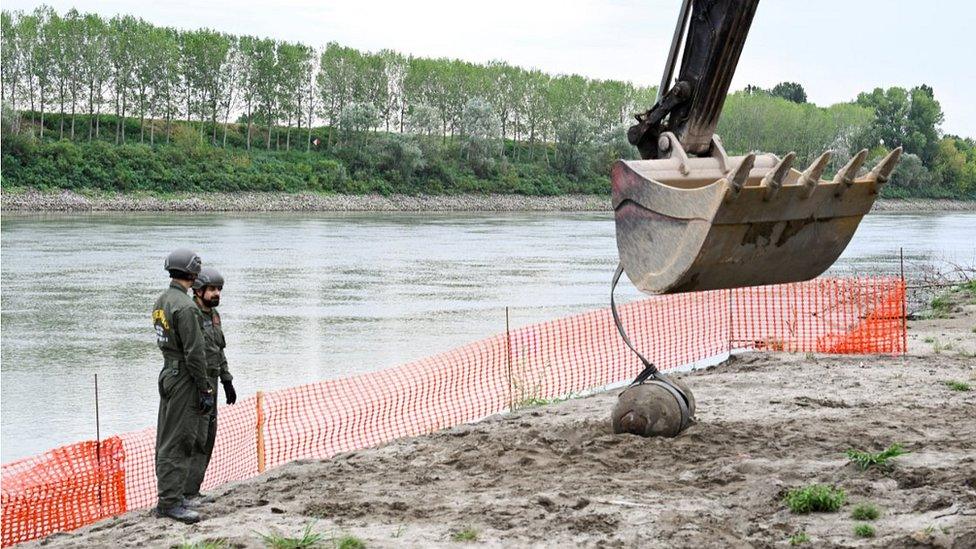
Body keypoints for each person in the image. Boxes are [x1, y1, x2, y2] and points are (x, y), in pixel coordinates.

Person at [151, 249, 213, 524]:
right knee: (179, 440)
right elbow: (195, 353)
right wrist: (205, 388)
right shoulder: (187, 307)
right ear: (193, 273)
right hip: (185, 376)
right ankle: (170, 502)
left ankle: (174, 496)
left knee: (166, 437)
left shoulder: (162, 300)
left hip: (169, 372)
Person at [184, 267, 236, 504]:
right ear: (198, 291)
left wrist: (227, 380)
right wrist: (202, 388)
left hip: (213, 383)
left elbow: (218, 350)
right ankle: (184, 493)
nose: (217, 294)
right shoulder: (191, 314)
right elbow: (192, 354)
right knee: (195, 437)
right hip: (197, 385)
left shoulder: (214, 316)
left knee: (208, 438)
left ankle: (194, 490)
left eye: (219, 289)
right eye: (212, 289)